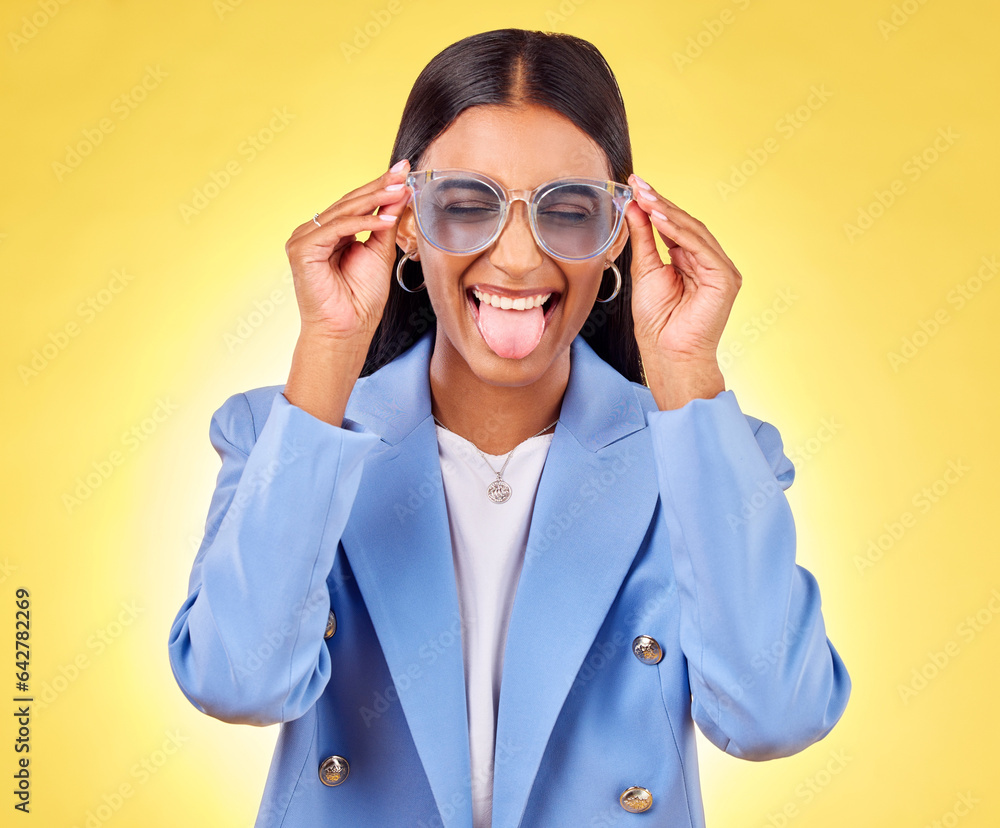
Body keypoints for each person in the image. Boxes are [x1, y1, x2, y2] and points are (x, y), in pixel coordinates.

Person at [167, 28, 850, 828]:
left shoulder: (709, 456)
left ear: (619, 234)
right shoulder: (281, 433)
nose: (519, 259)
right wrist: (328, 349)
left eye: (568, 210)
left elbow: (773, 717)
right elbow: (237, 683)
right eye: (465, 205)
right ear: (408, 223)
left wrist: (686, 371)